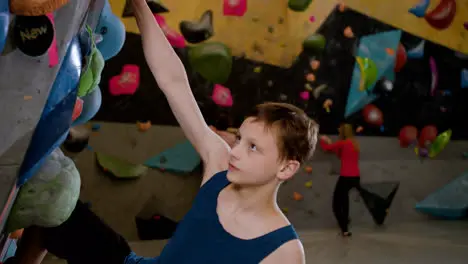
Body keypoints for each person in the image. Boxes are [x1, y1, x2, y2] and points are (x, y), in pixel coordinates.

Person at [8, 0, 318, 263]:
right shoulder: (219, 165)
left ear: (287, 166)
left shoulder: (285, 251)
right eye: (240, 139)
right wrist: (140, 5)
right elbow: (173, 81)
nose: (235, 151)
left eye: (253, 148)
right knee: (52, 215)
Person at [319, 123, 360, 237]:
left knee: (336, 204)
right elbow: (341, 155)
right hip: (355, 177)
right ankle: (345, 225)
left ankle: (344, 228)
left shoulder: (343, 143)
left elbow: (326, 149)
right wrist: (333, 145)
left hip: (346, 176)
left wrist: (323, 140)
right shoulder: (354, 144)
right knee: (344, 201)